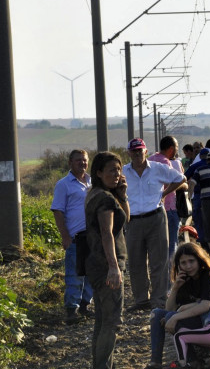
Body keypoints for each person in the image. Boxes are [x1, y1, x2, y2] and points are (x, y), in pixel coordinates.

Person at [145, 243, 210, 369]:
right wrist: (175, 288)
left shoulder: (208, 277)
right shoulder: (185, 279)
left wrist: (175, 317)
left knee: (172, 317)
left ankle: (191, 360)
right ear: (179, 265)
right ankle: (155, 363)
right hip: (200, 321)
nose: (188, 266)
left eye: (191, 261)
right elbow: (169, 308)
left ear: (199, 260)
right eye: (183, 263)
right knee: (157, 313)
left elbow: (205, 306)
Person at [123, 138, 187, 311]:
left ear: (146, 151)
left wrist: (165, 193)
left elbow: (180, 178)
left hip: (156, 218)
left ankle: (159, 300)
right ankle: (141, 300)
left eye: (140, 150)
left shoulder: (157, 168)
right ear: (129, 153)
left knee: (159, 261)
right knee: (136, 262)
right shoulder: (123, 172)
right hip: (133, 220)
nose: (137, 154)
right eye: (134, 151)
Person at [84, 151, 129, 369]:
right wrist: (113, 267)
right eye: (112, 170)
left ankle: (101, 366)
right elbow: (106, 233)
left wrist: (122, 194)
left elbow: (125, 219)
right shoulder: (104, 199)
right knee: (111, 323)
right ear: (99, 172)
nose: (117, 174)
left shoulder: (97, 194)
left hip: (96, 264)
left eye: (119, 169)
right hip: (106, 266)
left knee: (102, 321)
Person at [51, 149, 93, 324]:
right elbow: (58, 211)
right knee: (75, 275)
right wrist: (65, 237)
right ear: (70, 163)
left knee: (91, 274)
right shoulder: (64, 184)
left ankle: (84, 305)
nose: (82, 163)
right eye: (78, 161)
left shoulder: (92, 182)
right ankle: (71, 310)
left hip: (92, 236)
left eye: (84, 160)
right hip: (75, 237)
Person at [148, 136, 188, 259]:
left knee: (156, 245)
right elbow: (180, 180)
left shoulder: (150, 159)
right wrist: (165, 193)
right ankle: (170, 275)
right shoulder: (166, 162)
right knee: (171, 244)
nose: (177, 150)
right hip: (168, 208)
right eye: (176, 147)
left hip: (152, 209)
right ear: (171, 149)